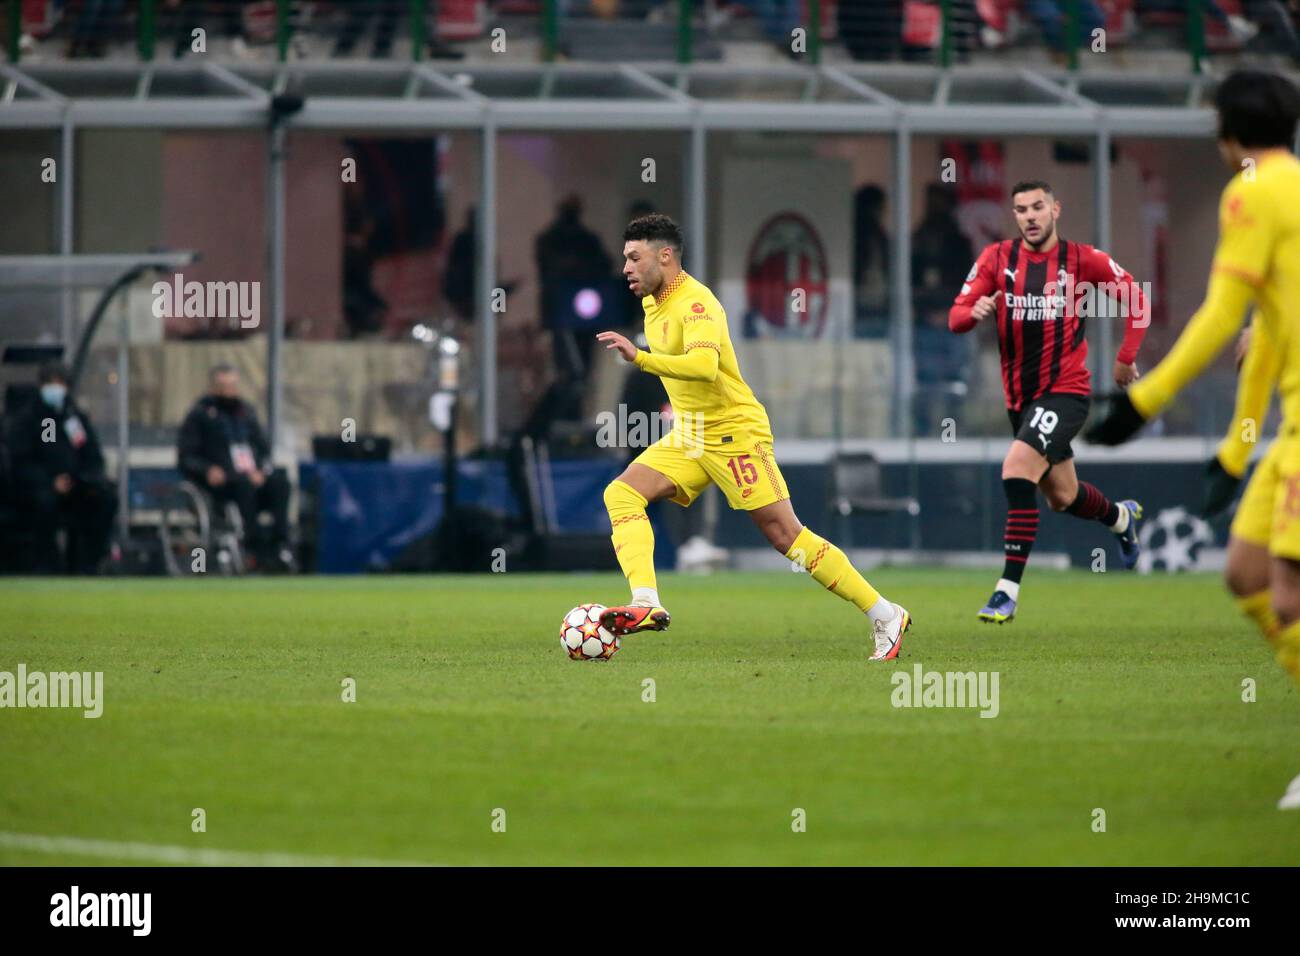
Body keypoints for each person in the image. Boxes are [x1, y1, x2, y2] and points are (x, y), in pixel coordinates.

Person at [1086, 70, 1300, 809]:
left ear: (1228, 135)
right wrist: (1236, 451)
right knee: (1246, 574)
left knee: (1289, 594)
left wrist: (1141, 402)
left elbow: (1218, 316)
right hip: (1290, 435)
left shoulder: (1252, 191)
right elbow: (1262, 339)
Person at [594, 214, 912, 662]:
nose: (625, 267)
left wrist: (641, 359)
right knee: (623, 494)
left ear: (665, 256)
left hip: (734, 434)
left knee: (786, 535)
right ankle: (646, 602)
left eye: (634, 257)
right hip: (691, 434)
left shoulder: (696, 303)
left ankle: (884, 613)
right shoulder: (652, 302)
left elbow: (704, 367)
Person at [949, 179, 1150, 623]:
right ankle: (1120, 518)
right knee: (1063, 496)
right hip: (1021, 401)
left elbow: (1137, 299)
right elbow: (956, 315)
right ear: (1015, 216)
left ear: (1055, 209)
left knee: (1016, 471)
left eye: (1038, 206)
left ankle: (1006, 592)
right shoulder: (996, 259)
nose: (1030, 216)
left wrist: (1125, 359)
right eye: (1021, 209)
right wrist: (974, 313)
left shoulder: (1082, 260)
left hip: (1066, 392)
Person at [177, 365, 294, 572]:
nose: (228, 391)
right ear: (212, 388)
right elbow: (186, 457)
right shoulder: (200, 416)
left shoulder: (246, 413)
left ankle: (280, 544)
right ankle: (253, 545)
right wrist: (207, 470)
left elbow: (262, 449)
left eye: (232, 386)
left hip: (250, 477)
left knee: (280, 483)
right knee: (243, 486)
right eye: (223, 386)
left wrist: (260, 470)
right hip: (223, 483)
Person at [12, 363, 116, 574]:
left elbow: (91, 453)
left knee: (105, 498)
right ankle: (47, 564)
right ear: (41, 386)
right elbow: (21, 460)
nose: (57, 389)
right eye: (52, 383)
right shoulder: (29, 419)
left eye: (60, 383)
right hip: (41, 487)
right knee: (45, 503)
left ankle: (89, 562)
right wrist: (50, 480)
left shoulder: (74, 417)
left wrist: (86, 478)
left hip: (77, 484)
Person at [535, 195, 615, 385]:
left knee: (581, 363)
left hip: (583, 310)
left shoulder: (587, 240)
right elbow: (547, 269)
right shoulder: (551, 239)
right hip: (561, 309)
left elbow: (605, 265)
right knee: (566, 363)